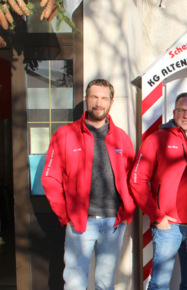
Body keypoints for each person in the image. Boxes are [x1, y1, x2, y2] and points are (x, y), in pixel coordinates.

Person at [41, 79, 136, 289]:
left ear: (111, 102)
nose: (98, 103)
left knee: (105, 282)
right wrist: (66, 214)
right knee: (74, 283)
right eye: (94, 97)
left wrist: (127, 210)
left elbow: (132, 177)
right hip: (80, 222)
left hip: (113, 222)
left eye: (104, 98)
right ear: (86, 99)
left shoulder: (121, 138)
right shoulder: (65, 135)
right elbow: (50, 178)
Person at [129, 92, 187, 290]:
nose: (186, 115)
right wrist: (156, 215)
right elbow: (137, 179)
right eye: (181, 110)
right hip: (168, 225)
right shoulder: (157, 139)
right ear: (174, 112)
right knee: (160, 283)